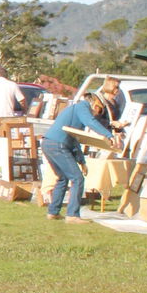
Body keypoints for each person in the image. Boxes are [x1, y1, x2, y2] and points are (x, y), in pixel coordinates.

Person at [40, 91, 112, 225]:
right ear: (95, 103)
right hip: (57, 144)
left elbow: (74, 140)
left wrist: (82, 161)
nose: (98, 113)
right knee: (77, 179)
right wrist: (109, 136)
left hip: (49, 143)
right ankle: (72, 215)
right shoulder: (82, 107)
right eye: (99, 109)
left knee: (62, 178)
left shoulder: (76, 110)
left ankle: (53, 212)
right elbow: (90, 122)